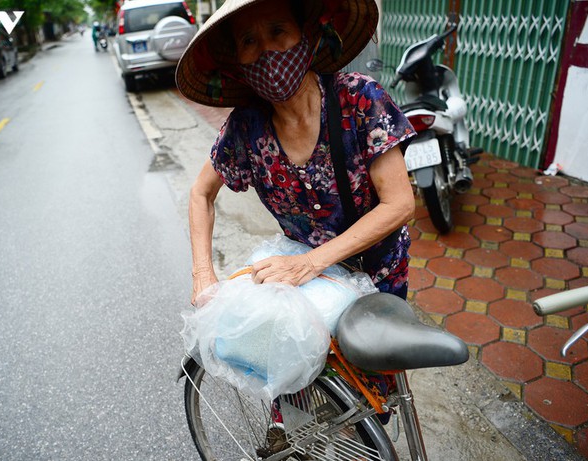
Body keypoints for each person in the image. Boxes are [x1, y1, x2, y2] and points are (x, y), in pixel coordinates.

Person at [176, 0, 416, 306]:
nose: (266, 50)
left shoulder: (360, 99)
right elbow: (201, 194)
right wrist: (202, 276)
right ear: (237, 62)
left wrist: (310, 263)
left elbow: (399, 204)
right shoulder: (246, 128)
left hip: (378, 281)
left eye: (278, 30)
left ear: (308, 36)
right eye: (248, 40)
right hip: (307, 290)